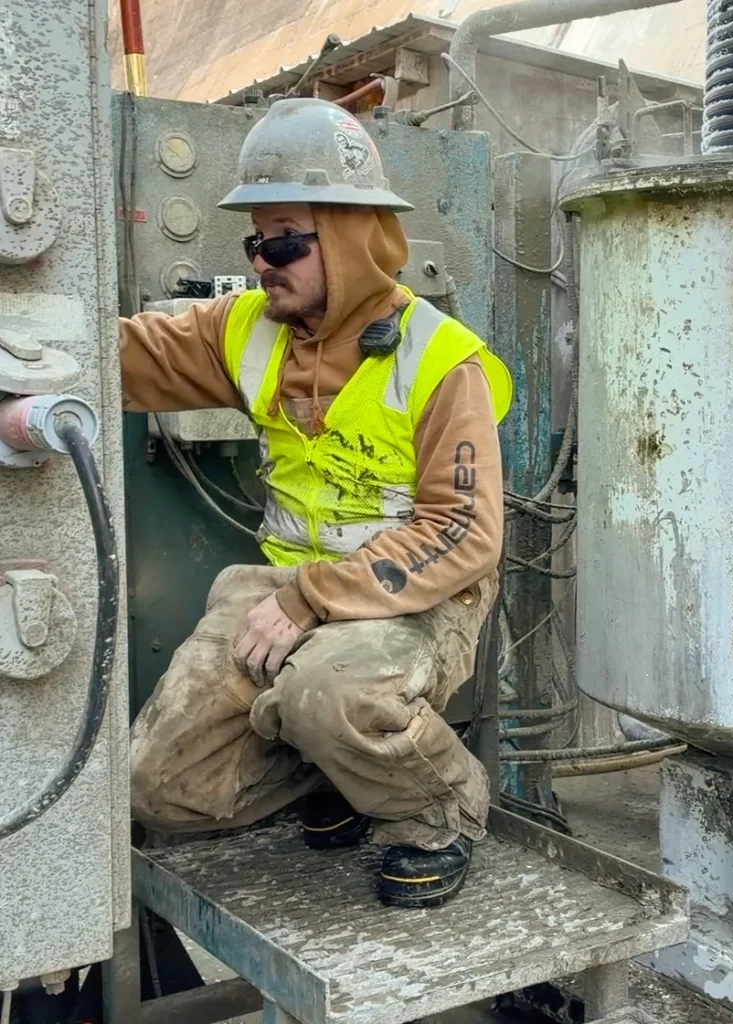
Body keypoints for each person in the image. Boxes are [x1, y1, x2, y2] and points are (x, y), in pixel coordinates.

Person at [121, 98, 512, 908]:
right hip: (282, 594)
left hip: (416, 600)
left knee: (329, 693)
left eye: (286, 242)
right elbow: (127, 355)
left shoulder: (441, 361)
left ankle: (436, 811)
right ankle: (340, 773)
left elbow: (462, 532)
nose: (265, 261)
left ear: (349, 239)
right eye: (255, 241)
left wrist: (312, 600)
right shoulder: (248, 328)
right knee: (158, 786)